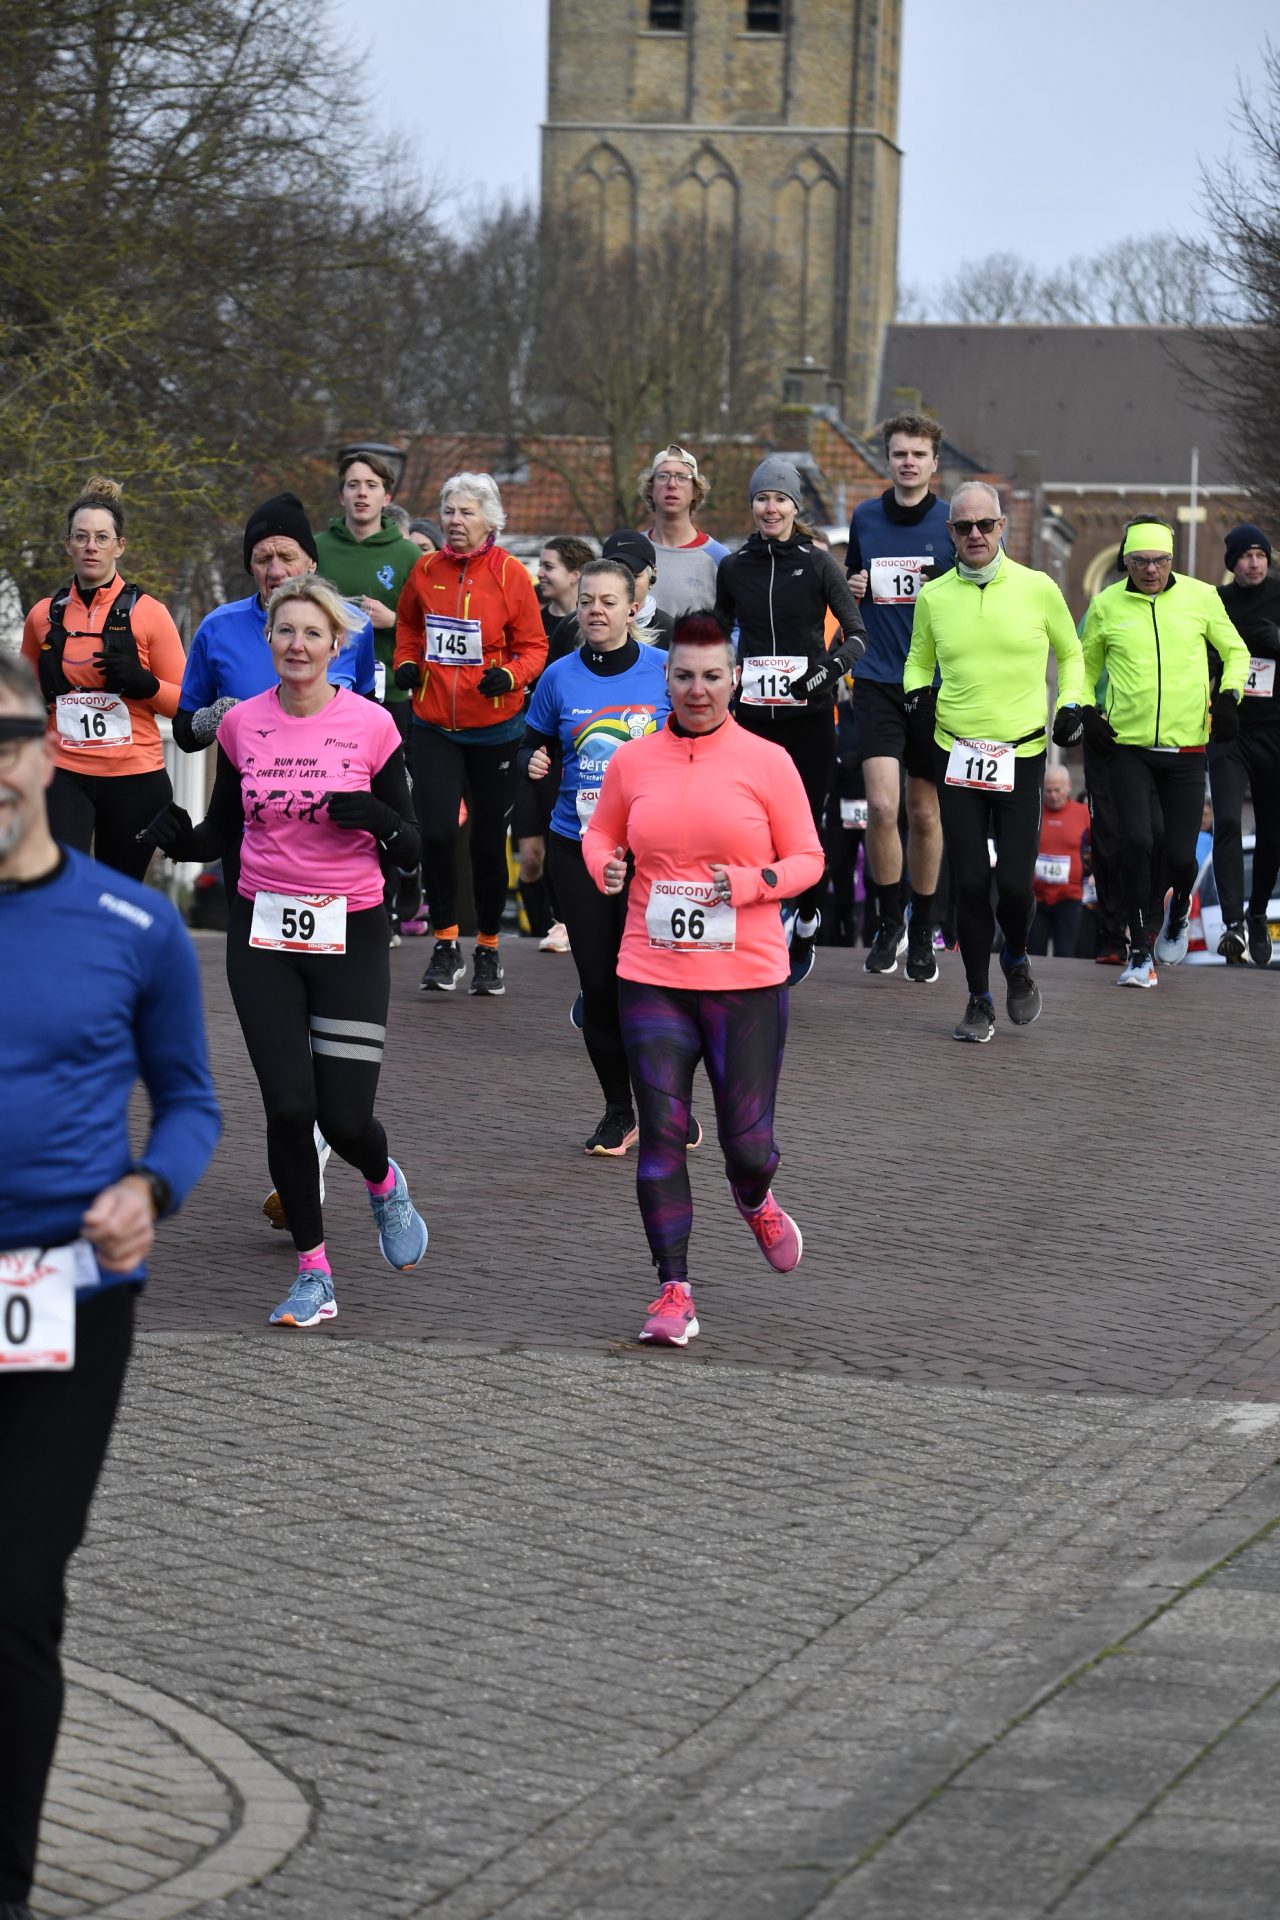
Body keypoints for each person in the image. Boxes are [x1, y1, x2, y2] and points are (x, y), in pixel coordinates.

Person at [0, 654, 219, 1920]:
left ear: (43, 751)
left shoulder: (131, 927)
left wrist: (154, 1190)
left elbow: (188, 1100)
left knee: (18, 1588)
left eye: (7, 738)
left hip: (65, 1297)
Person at [139, 577, 428, 1328]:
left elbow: (413, 847)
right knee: (289, 1107)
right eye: (284, 632)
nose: (296, 645)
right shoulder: (243, 727)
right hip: (262, 930)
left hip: (351, 932)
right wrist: (177, 836)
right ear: (268, 642)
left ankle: (382, 1178)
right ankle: (314, 1271)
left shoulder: (370, 726)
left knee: (346, 1118)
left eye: (311, 633)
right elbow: (220, 834)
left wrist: (377, 818)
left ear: (337, 645)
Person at [582, 614, 823, 1346]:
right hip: (651, 973)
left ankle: (754, 1195)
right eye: (684, 675)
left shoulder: (768, 761)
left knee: (747, 1144)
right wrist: (607, 867)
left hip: (745, 978)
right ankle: (672, 1291)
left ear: (736, 679)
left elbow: (809, 859)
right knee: (661, 1132)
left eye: (713, 675)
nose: (698, 689)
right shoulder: (633, 761)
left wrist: (750, 884)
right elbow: (600, 833)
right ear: (666, 679)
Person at [903, 482, 1086, 1043]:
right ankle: (979, 996)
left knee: (1012, 883)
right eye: (963, 527)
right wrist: (916, 693)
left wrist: (1072, 703)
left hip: (1022, 755)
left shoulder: (1038, 588)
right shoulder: (934, 596)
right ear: (951, 533)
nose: (975, 535)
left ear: (1002, 526)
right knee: (970, 883)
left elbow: (1073, 652)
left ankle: (1018, 961)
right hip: (956, 753)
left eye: (985, 525)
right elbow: (917, 660)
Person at [521, 558, 673, 1153]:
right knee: (600, 984)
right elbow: (531, 744)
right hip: (577, 846)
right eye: (587, 601)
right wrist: (531, 763)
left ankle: (666, 1102)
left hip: (652, 854)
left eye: (610, 601)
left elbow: (702, 741)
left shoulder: (665, 671)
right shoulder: (558, 678)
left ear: (633, 608)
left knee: (653, 986)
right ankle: (620, 1110)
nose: (597, 611)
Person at [393, 472, 547, 997]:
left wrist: (511, 675)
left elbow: (535, 646)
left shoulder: (510, 576)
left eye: (466, 513)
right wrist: (408, 662)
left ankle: (487, 947)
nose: (455, 522)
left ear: (490, 521)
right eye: (449, 512)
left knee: (485, 843)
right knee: (435, 832)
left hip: (495, 729)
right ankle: (444, 942)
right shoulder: (424, 569)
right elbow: (409, 626)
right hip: (435, 724)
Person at [714, 457, 866, 985]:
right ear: (752, 505)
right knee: (753, 828)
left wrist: (828, 670)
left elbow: (857, 635)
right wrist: (722, 672)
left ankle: (805, 917)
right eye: (762, 498)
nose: (770, 507)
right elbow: (719, 631)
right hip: (755, 719)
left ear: (794, 506)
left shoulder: (819, 564)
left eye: (780, 498)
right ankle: (765, 924)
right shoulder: (735, 568)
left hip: (811, 719)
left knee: (806, 825)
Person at [1080, 516, 1249, 987]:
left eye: (1159, 560)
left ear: (1171, 560)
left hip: (1187, 747)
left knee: (1179, 856)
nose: (1150, 570)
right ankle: (1138, 951)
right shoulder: (1106, 605)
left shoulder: (1201, 597)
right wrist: (1085, 709)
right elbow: (1082, 664)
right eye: (1139, 561)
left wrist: (1229, 696)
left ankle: (1177, 911)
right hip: (1127, 747)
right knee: (1135, 843)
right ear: (1125, 563)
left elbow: (1235, 651)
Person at [19, 477, 186, 881]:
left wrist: (144, 684)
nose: (91, 546)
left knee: (117, 896)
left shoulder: (150, 613)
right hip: (64, 772)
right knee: (59, 883)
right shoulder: (44, 615)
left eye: (101, 537)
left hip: (134, 777)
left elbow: (184, 702)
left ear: (119, 546)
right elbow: (21, 697)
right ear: (68, 545)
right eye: (81, 537)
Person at [846, 412, 954, 980]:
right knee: (882, 807)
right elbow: (849, 583)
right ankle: (889, 919)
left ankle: (922, 928)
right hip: (879, 680)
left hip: (934, 686)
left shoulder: (953, 524)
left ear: (935, 463)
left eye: (918, 453)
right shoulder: (864, 517)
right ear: (887, 460)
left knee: (924, 811)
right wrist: (854, 586)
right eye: (898, 453)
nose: (907, 462)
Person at [173, 492, 376, 759]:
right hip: (243, 791)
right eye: (263, 559)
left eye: (287, 556)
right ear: (250, 567)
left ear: (311, 563)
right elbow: (183, 733)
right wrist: (214, 718)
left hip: (333, 792)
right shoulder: (217, 628)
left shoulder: (353, 624)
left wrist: (393, 777)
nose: (276, 571)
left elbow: (370, 718)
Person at [520, 534, 596, 953]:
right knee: (531, 854)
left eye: (549, 566)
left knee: (563, 844)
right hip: (536, 743)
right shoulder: (530, 612)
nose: (540, 573)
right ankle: (541, 927)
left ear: (576, 575)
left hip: (582, 751)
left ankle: (565, 922)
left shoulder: (587, 632)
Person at [1210, 522, 1280, 966]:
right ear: (1232, 562)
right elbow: (1201, 653)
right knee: (1229, 822)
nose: (1254, 563)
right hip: (1230, 728)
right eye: (1245, 556)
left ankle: (1257, 914)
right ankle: (1232, 922)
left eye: (1261, 555)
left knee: (1272, 833)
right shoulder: (1217, 601)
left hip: (1275, 729)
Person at [314, 451, 424, 725]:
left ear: (386, 497)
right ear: (341, 496)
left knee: (387, 769)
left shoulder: (409, 555)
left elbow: (429, 627)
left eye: (371, 485)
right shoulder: (316, 548)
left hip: (389, 692)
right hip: (321, 689)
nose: (361, 493)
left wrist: (393, 621)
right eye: (353, 485)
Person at [640, 444, 728, 620]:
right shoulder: (632, 550)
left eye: (682, 477)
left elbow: (736, 626)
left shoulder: (719, 558)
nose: (672, 484)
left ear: (695, 491)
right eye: (663, 476)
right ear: (651, 489)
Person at [1028, 765, 1090, 956]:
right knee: (1034, 954)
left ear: (1068, 786)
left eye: (1057, 790)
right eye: (1048, 790)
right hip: (1036, 897)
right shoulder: (1033, 811)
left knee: (1066, 954)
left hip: (1070, 897)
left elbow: (1101, 847)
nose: (1053, 795)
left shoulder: (1083, 813)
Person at [603, 530, 676, 647]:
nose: (625, 584)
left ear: (653, 575)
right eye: (616, 576)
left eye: (634, 576)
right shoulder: (577, 626)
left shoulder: (671, 632)